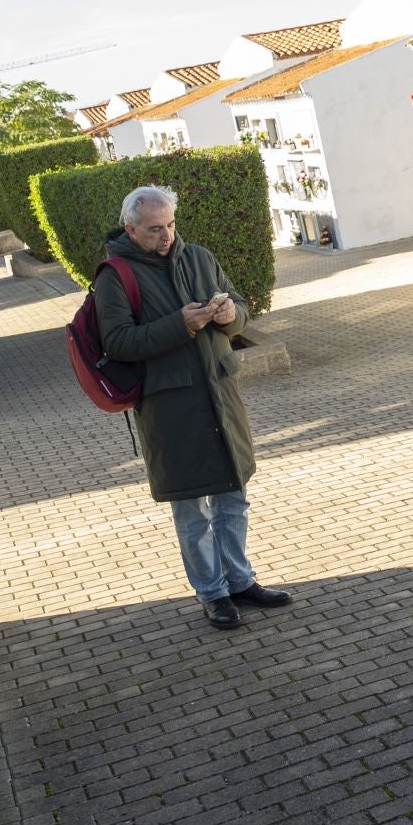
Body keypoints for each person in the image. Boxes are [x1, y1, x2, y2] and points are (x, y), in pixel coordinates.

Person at [95, 185, 292, 630]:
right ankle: (213, 593)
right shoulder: (115, 274)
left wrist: (230, 317)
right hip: (170, 408)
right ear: (130, 228)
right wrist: (178, 325)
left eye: (170, 225)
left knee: (232, 498)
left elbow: (240, 307)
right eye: (153, 229)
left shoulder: (198, 256)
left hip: (220, 396)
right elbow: (119, 342)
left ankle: (240, 581)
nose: (165, 236)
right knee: (191, 510)